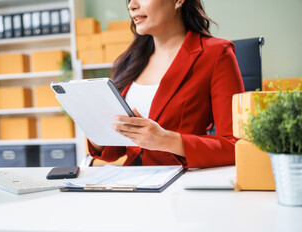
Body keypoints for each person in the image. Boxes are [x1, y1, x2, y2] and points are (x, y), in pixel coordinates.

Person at [88, 0, 245, 168]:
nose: (131, 5)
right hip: (133, 182)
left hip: (181, 183)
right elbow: (116, 150)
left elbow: (236, 146)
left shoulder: (216, 53)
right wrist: (94, 129)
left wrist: (167, 140)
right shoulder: (129, 61)